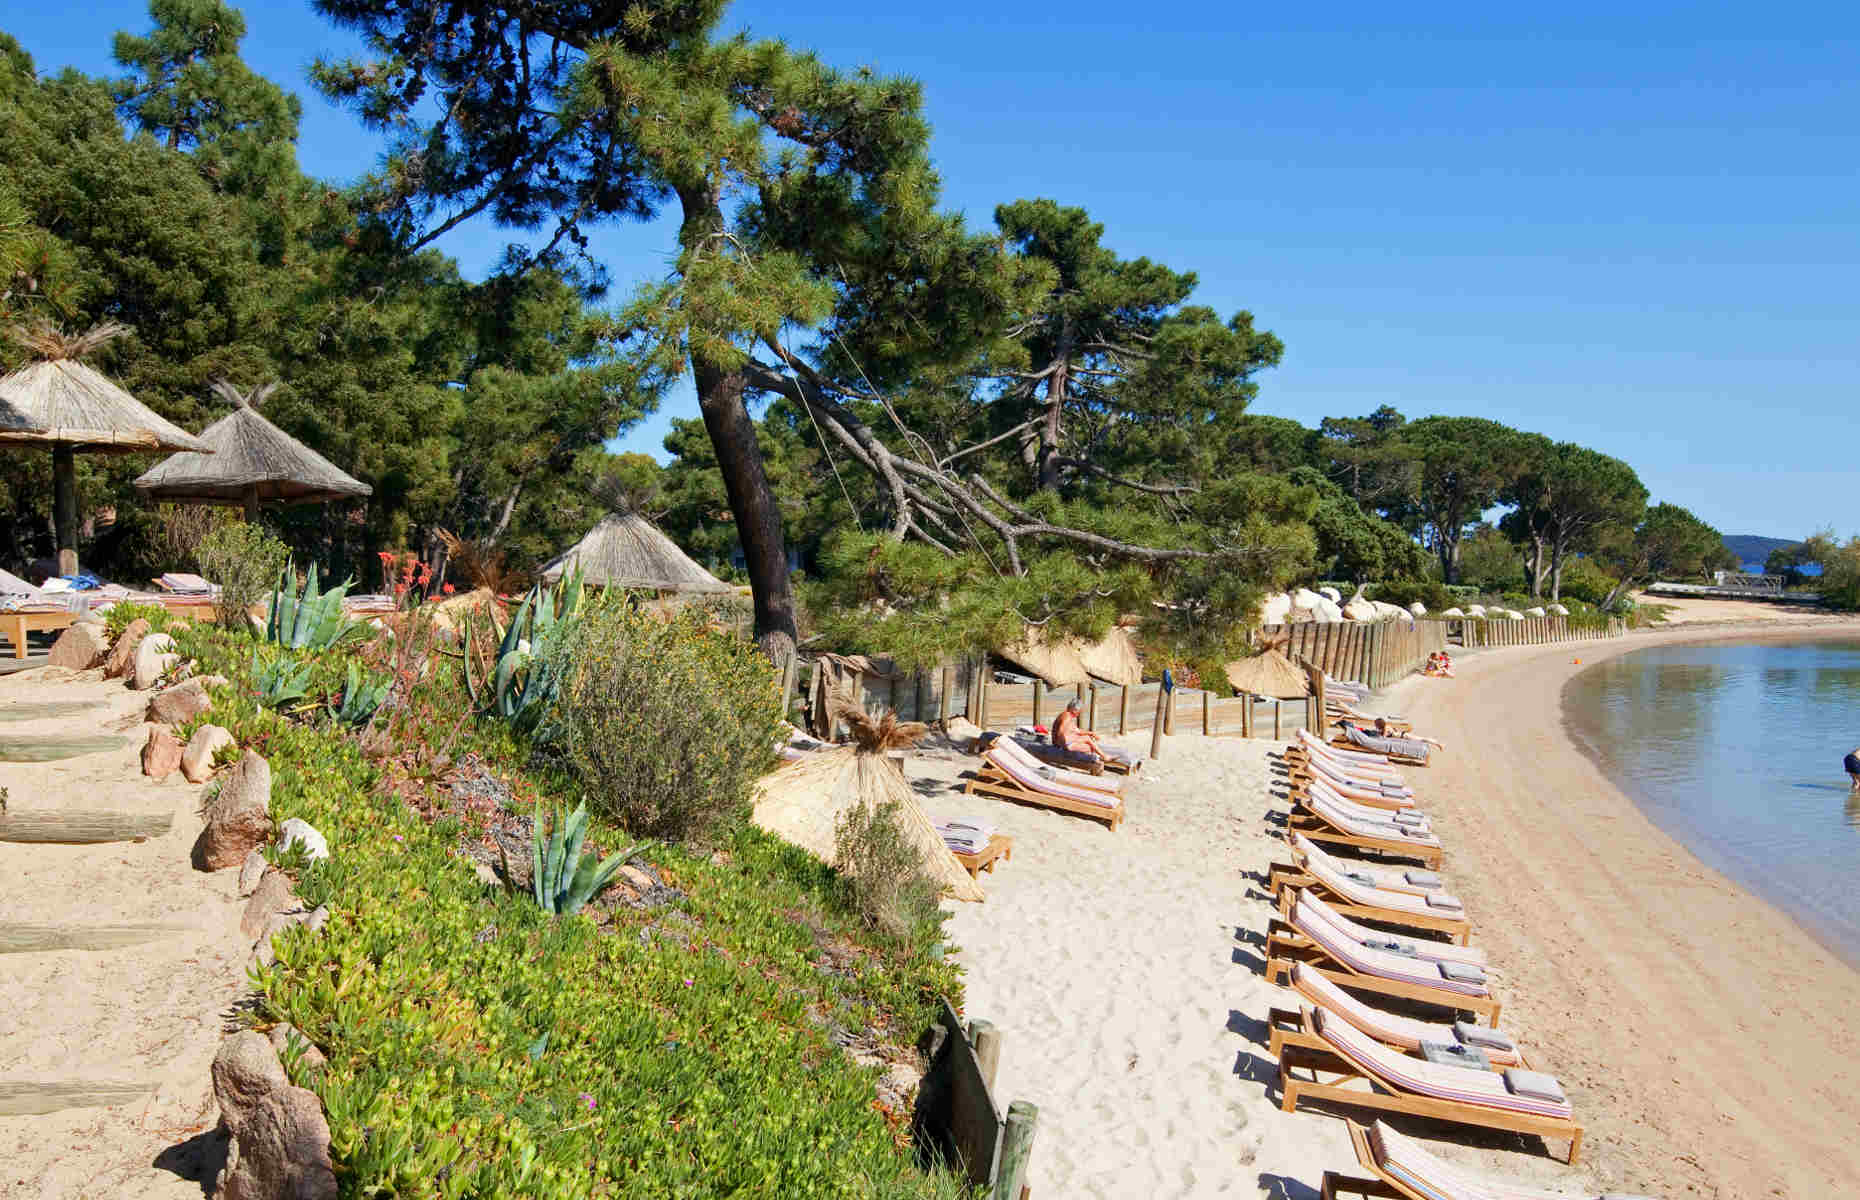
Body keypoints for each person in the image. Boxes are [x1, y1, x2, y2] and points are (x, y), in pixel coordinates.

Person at [1052, 697, 1136, 767]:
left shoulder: (1067, 715)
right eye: (1079, 711)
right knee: (1087, 740)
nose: (1079, 714)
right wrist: (1063, 747)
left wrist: (1091, 733)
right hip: (1063, 744)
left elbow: (1078, 731)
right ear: (1074, 710)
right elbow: (1060, 731)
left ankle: (1100, 756)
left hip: (1064, 742)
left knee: (1089, 746)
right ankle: (1104, 757)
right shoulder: (1067, 717)